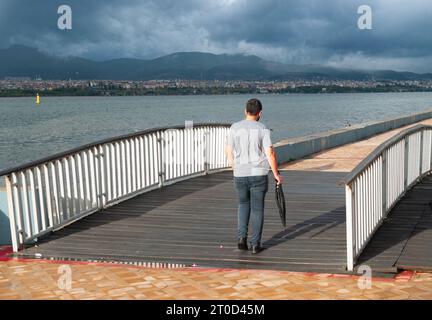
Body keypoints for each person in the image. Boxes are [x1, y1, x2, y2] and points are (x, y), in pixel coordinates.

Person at [225, 98, 283, 254]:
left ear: (245, 111)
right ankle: (255, 245)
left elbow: (228, 150)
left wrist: (233, 166)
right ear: (260, 113)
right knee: (257, 209)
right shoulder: (263, 129)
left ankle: (241, 240)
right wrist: (276, 174)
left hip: (240, 173)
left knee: (243, 204)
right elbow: (270, 153)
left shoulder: (234, 127)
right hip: (258, 174)